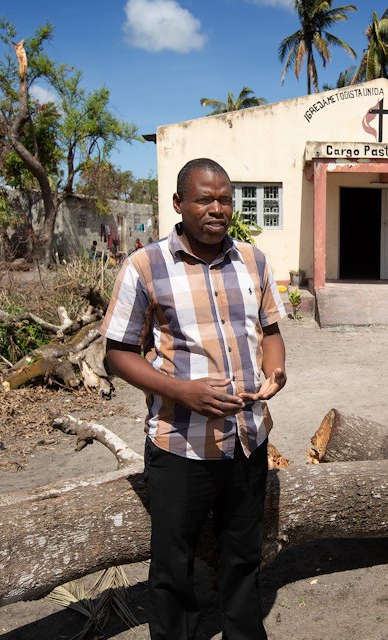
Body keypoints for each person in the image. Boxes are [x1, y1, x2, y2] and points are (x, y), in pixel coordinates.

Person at [100, 158, 287, 640]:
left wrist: (276, 369)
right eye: (204, 198)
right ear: (179, 203)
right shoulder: (145, 265)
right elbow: (118, 354)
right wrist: (183, 391)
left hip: (247, 440)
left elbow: (271, 332)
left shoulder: (253, 260)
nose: (217, 208)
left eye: (225, 198)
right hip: (179, 444)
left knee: (244, 555)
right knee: (173, 565)